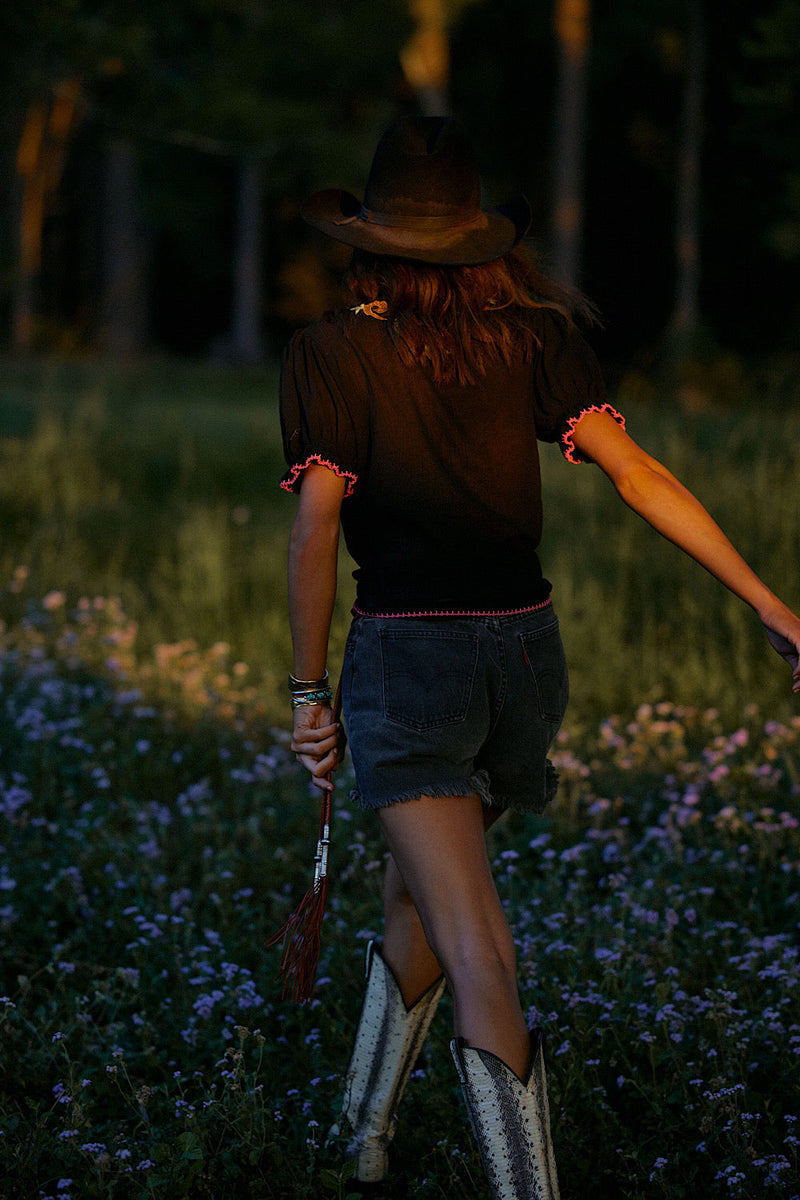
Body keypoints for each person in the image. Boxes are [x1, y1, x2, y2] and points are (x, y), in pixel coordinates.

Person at [279, 116, 800, 1200]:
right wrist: (765, 601)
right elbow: (636, 473)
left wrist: (308, 693)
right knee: (420, 902)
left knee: (478, 949)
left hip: (410, 665)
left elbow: (315, 526)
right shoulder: (531, 335)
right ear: (477, 242)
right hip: (524, 660)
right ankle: (360, 1141)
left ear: (370, 240)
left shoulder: (331, 351)